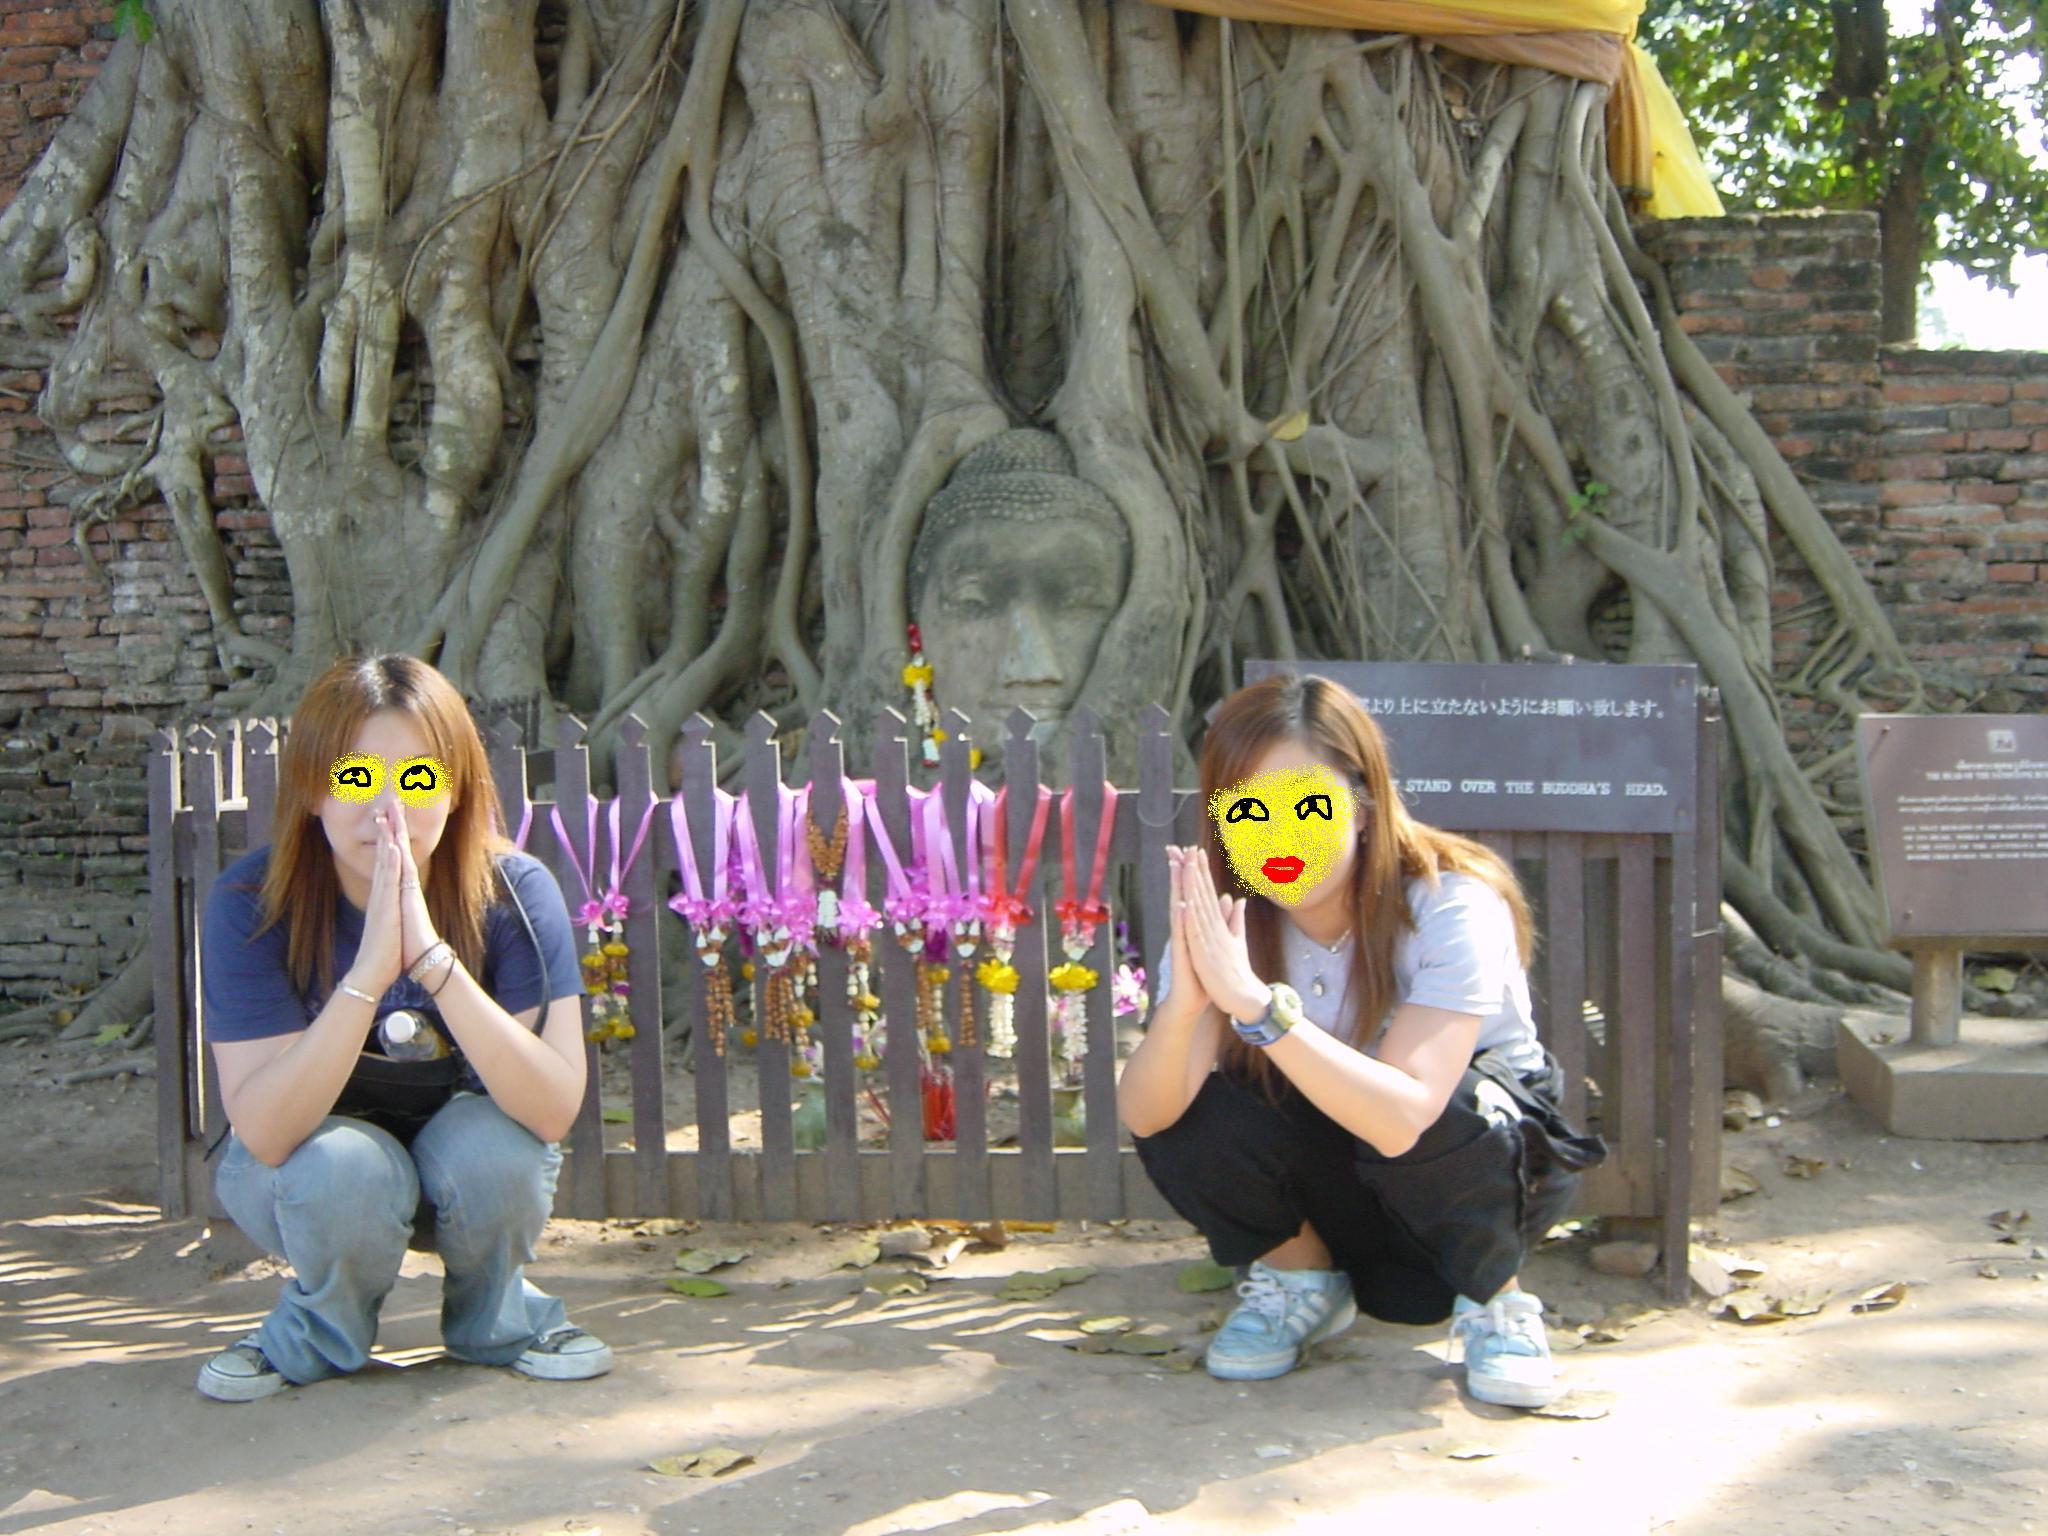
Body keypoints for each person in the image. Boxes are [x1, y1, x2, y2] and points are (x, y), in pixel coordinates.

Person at [1118, 674, 1604, 1406]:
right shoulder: (1230, 918)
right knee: (1192, 1105)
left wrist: (1255, 1006)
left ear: (1365, 804)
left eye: (1307, 806)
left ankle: (1496, 1303)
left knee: (1457, 1100)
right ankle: (1300, 1280)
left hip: (1470, 1186)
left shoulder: (1450, 903)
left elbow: (1407, 1116)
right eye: (1247, 810)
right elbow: (1149, 1116)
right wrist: (1186, 1007)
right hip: (1339, 1188)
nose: (1278, 836)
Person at [194, 655, 609, 1402]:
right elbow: (266, 1131)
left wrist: (434, 963)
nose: (387, 805)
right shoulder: (251, 900)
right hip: (306, 1172)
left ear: (456, 790)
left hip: (460, 1165)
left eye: (418, 779)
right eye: (355, 778)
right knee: (345, 1169)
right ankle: (312, 1334)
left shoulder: (515, 893)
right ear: (313, 790)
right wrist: (367, 976)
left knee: (500, 1154)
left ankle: (500, 1319)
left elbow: (552, 1110)